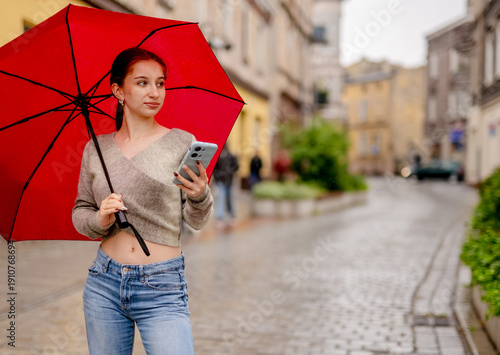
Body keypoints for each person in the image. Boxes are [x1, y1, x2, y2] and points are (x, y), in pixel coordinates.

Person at [72, 48, 213, 355]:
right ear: (118, 90)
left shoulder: (181, 142)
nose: (155, 92)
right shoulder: (95, 149)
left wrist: (199, 195)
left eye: (160, 83)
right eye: (143, 83)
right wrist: (100, 219)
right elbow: (81, 210)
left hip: (162, 284)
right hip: (103, 282)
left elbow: (197, 221)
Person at [212, 144, 239, 227]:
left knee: (229, 198)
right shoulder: (217, 156)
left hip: (229, 181)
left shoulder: (231, 156)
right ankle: (220, 218)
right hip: (220, 181)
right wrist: (217, 176)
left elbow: (236, 166)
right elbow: (214, 168)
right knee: (220, 198)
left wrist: (230, 172)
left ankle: (231, 215)